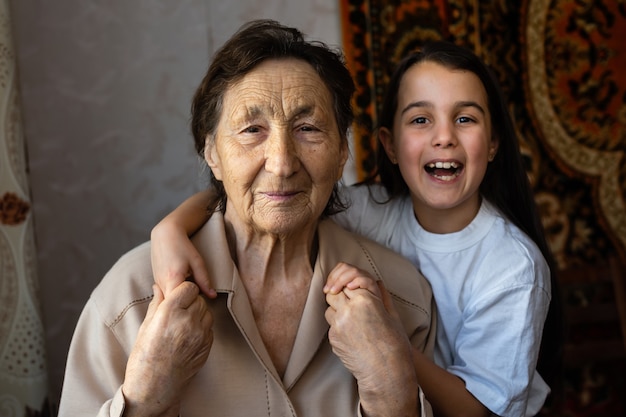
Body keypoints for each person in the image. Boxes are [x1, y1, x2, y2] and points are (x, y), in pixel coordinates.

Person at [149, 39, 562, 417]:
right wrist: (170, 230)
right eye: (420, 119)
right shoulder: (371, 209)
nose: (444, 138)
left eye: (465, 118)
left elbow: (480, 412)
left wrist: (389, 344)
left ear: (492, 144)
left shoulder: (513, 268)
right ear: (389, 145)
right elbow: (266, 190)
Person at [57, 19, 436, 417]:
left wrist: (391, 390)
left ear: (343, 151)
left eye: (308, 128)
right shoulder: (128, 299)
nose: (282, 163)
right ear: (212, 153)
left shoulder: (401, 297)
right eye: (252, 130)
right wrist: (144, 398)